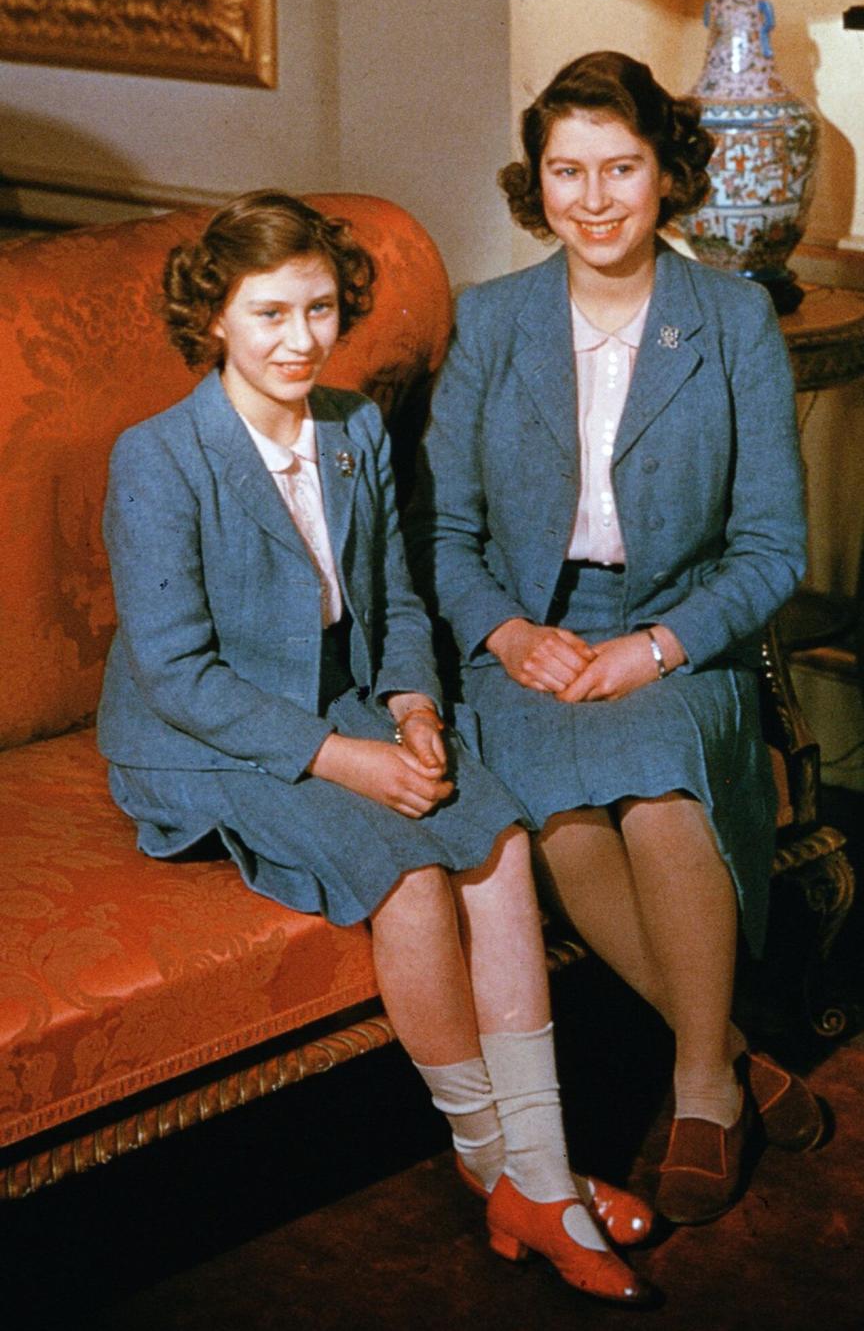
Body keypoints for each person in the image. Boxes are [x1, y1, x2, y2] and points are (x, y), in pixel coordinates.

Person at [97, 190, 658, 1305]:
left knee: (494, 841)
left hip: (342, 697)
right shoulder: (158, 456)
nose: (300, 339)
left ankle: (541, 1172)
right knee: (405, 872)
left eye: (318, 308)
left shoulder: (352, 428)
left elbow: (398, 599)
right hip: (201, 734)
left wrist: (409, 704)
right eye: (268, 314)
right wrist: (349, 760)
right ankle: (496, 1162)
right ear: (214, 318)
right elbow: (178, 673)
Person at [406, 53, 823, 1228]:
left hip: (678, 644)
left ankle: (702, 1085)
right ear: (535, 183)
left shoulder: (733, 318)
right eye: (566, 170)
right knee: (568, 818)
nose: (593, 199)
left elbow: (773, 548)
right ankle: (737, 1051)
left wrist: (657, 649)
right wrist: (502, 627)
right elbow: (438, 530)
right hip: (529, 645)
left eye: (621, 168)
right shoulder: (490, 323)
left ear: (667, 175)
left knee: (659, 797)